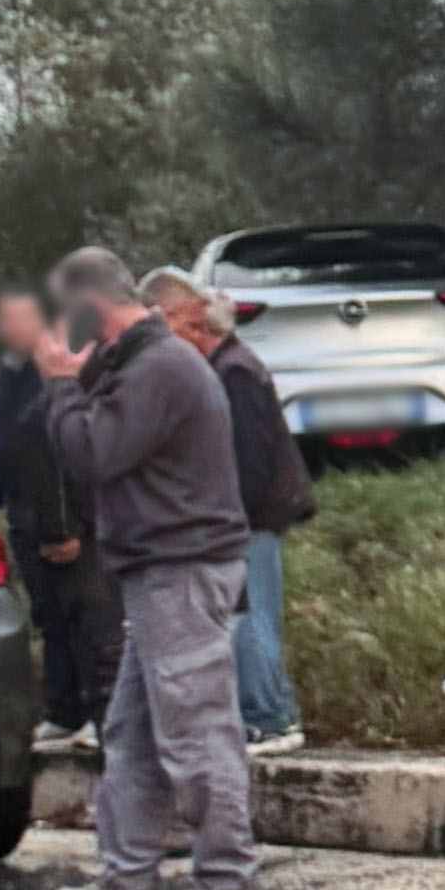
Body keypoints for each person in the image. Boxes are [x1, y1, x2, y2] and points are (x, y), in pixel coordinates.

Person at [37, 247, 271, 890]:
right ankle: (127, 878)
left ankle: (230, 882)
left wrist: (61, 385)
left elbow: (93, 454)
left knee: (195, 730)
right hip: (161, 565)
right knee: (133, 734)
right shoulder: (147, 364)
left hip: (182, 565)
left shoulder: (159, 367)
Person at [138, 267, 314, 757]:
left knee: (251, 619)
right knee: (248, 616)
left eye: (196, 329)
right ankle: (266, 713)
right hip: (248, 516)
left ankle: (270, 717)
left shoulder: (233, 373)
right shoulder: (233, 367)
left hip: (249, 518)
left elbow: (246, 460)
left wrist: (225, 515)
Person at [0, 288, 122, 750]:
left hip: (69, 522)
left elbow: (62, 454)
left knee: (93, 621)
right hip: (24, 517)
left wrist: (65, 526)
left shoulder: (62, 375)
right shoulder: (7, 377)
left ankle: (105, 718)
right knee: (51, 619)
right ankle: (64, 710)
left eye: (21, 317)